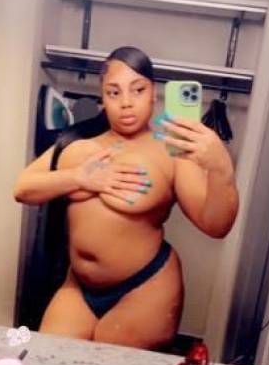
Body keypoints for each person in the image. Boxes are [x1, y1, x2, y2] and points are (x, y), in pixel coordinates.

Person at [14, 46, 239, 349]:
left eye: (138, 90)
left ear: (153, 94)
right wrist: (79, 178)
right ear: (103, 97)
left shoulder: (172, 152)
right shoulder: (79, 142)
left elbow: (216, 225)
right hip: (78, 287)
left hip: (145, 288)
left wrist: (221, 168)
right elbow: (22, 189)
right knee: (48, 358)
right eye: (114, 92)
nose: (126, 103)